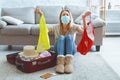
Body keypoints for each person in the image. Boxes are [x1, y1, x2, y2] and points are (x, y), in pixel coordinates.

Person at [35, 7, 85, 74]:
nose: (65, 16)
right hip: (59, 50)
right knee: (61, 37)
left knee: (69, 37)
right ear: (60, 17)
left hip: (70, 50)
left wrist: (84, 19)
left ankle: (68, 63)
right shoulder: (56, 27)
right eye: (63, 15)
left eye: (67, 15)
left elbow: (85, 33)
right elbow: (44, 29)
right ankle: (60, 63)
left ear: (70, 17)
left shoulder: (74, 26)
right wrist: (41, 15)